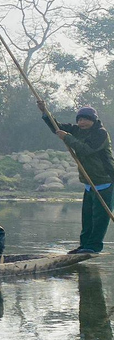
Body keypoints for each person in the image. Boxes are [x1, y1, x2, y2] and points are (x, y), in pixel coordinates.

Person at [37, 100, 114, 253]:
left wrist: (67, 138)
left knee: (100, 219)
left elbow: (86, 150)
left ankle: (93, 247)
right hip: (89, 182)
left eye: (85, 119)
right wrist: (45, 113)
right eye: (79, 119)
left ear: (93, 120)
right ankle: (84, 245)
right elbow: (57, 127)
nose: (81, 122)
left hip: (105, 181)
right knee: (87, 218)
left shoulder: (101, 133)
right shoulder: (77, 130)